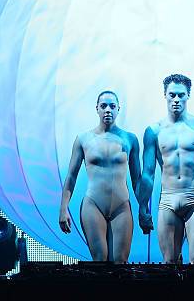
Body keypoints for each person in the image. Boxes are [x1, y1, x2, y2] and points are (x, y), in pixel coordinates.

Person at [138, 74, 194, 263]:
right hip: (168, 200)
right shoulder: (154, 131)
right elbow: (148, 173)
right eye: (172, 95)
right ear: (165, 95)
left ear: (188, 96)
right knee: (170, 262)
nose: (176, 99)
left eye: (181, 95)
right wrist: (143, 207)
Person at [59, 91, 141, 263]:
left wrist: (144, 209)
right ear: (97, 109)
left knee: (120, 262)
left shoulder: (130, 139)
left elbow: (137, 180)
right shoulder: (83, 139)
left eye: (112, 106)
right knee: (100, 260)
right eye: (103, 106)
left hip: (121, 206)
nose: (108, 110)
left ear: (118, 109)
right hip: (93, 204)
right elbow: (71, 176)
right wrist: (63, 208)